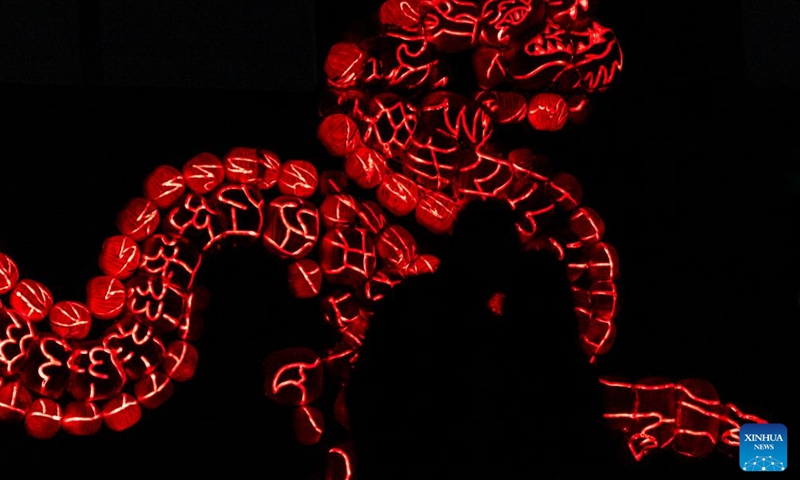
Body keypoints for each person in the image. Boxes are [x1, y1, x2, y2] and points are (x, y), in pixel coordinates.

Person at [346, 199, 615, 479]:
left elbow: (364, 393)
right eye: (508, 247)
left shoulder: (419, 305)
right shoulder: (457, 324)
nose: (511, 260)